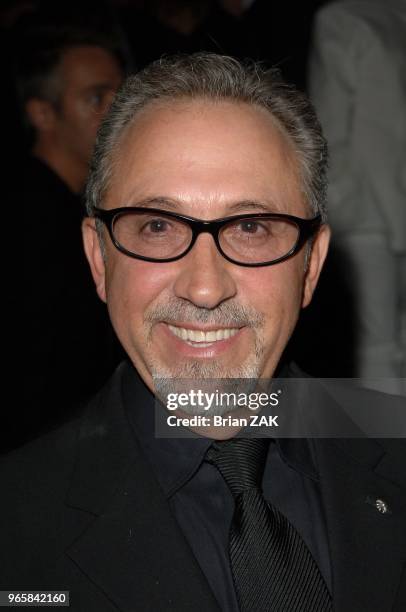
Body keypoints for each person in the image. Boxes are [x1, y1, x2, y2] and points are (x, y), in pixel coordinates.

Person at [1, 54, 405, 611]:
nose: (205, 287)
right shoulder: (17, 524)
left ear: (310, 267)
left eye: (251, 227)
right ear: (99, 258)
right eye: (158, 226)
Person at [5, 24, 125, 449]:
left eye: (119, 95)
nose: (116, 112)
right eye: (96, 98)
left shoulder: (77, 204)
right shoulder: (31, 217)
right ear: (43, 114)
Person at [309, 0, 406, 395]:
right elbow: (329, 127)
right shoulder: (340, 19)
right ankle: (383, 448)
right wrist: (348, 208)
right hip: (368, 218)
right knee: (376, 347)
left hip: (386, 206)